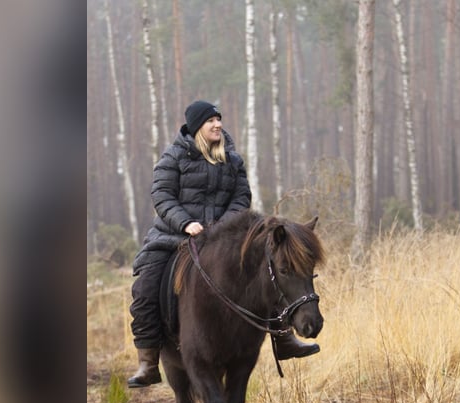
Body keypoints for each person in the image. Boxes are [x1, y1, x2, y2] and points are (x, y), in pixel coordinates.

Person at [128, 100, 319, 388]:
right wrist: (185, 223)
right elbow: (163, 197)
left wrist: (222, 228)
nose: (218, 124)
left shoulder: (233, 159)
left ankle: (284, 338)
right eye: (210, 121)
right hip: (175, 236)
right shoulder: (172, 157)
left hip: (222, 238)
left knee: (269, 272)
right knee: (144, 288)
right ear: (196, 128)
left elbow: (242, 198)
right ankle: (149, 359)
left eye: (219, 119)